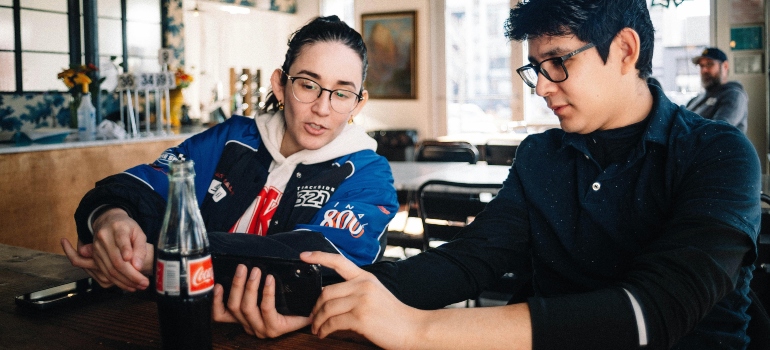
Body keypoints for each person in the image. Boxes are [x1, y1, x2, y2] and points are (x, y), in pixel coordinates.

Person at [299, 1, 761, 349]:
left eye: (558, 62)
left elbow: (654, 311)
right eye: (535, 68)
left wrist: (416, 328)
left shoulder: (718, 154)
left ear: (624, 50)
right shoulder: (542, 153)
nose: (541, 86)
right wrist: (321, 301)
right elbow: (470, 259)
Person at [61, 16, 398, 338]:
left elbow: (319, 259)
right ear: (280, 85)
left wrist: (169, 259)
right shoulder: (231, 139)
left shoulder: (369, 173)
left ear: (358, 103)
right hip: (177, 323)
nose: (322, 108)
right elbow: (149, 185)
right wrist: (112, 218)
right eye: (308, 85)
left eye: (341, 93)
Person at [685, 47, 749, 133]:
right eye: (701, 66)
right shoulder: (696, 99)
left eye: (709, 64)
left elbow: (717, 131)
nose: (704, 70)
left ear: (725, 66)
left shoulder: (734, 95)